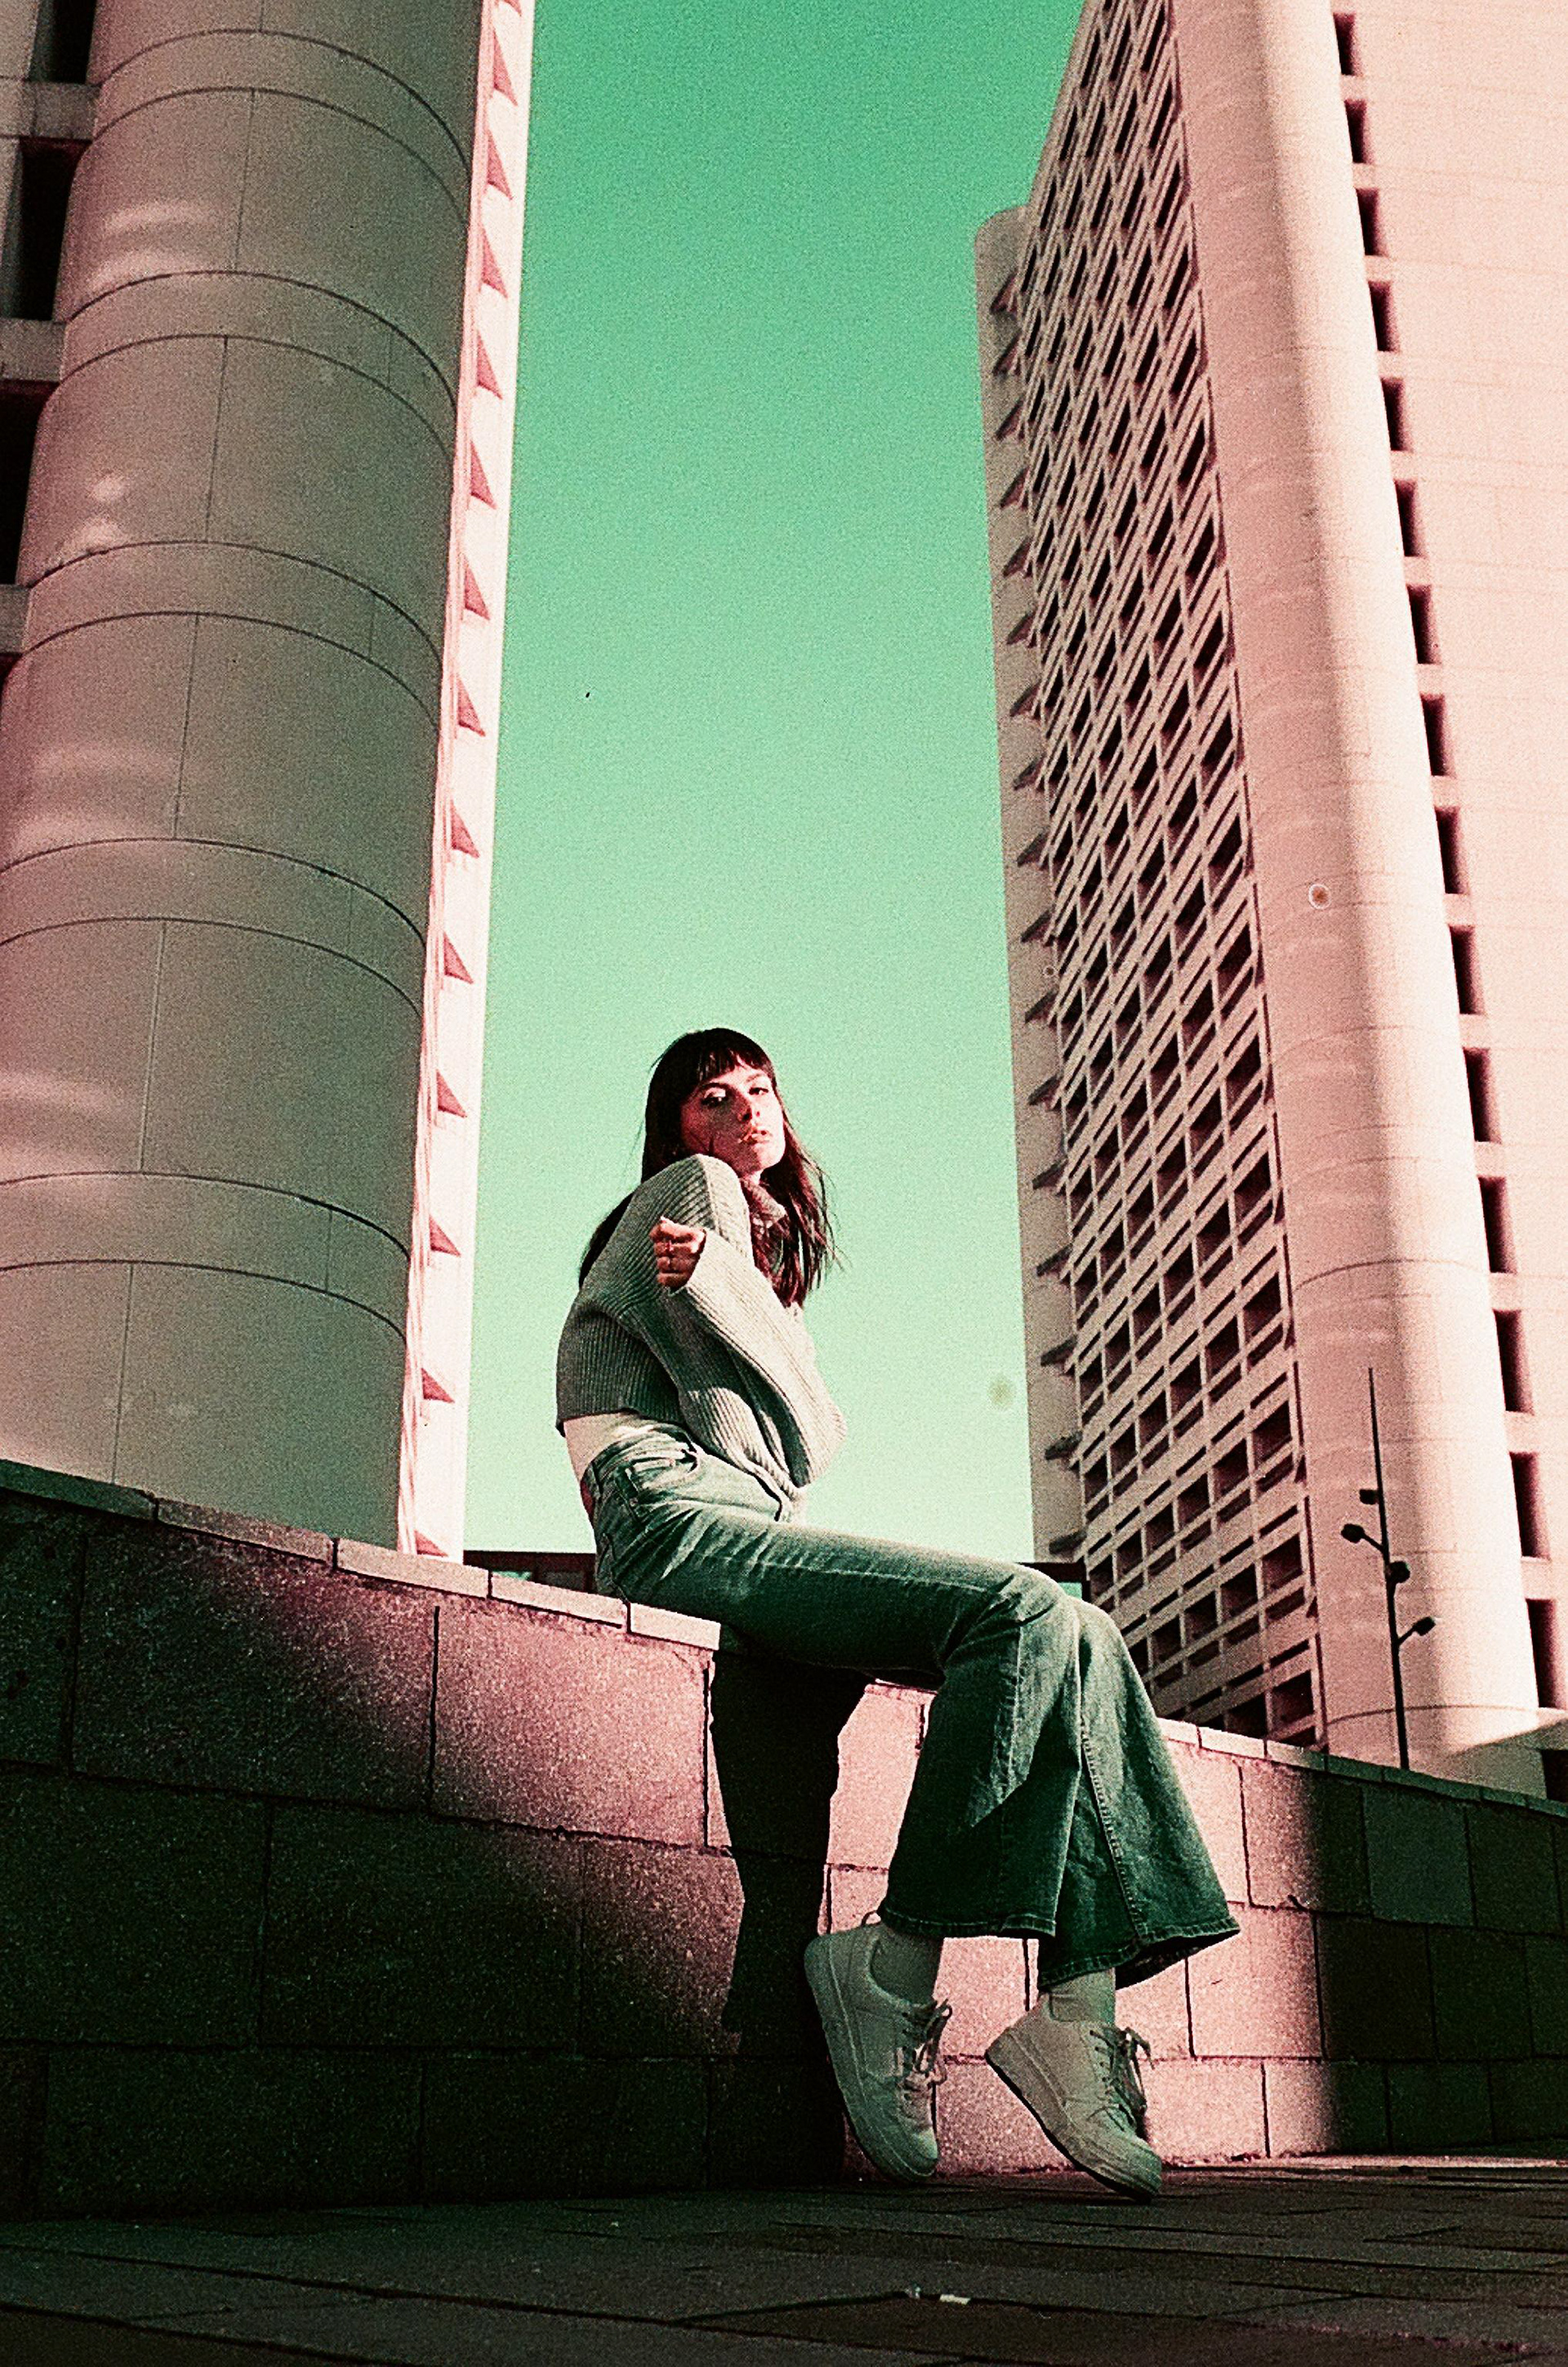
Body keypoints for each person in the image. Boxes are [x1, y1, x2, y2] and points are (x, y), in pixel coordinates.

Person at [555, 1027, 1237, 2198]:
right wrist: (730, 1295)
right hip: (667, 1514)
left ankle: (1076, 2010)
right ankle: (893, 1968)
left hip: (730, 1516)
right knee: (1020, 1611)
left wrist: (734, 1292)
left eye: (763, 1089)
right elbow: (790, 1436)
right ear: (674, 1132)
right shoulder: (690, 1193)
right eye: (713, 1097)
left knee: (1082, 1630)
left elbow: (795, 1442)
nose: (746, 1112)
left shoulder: (733, 1249)